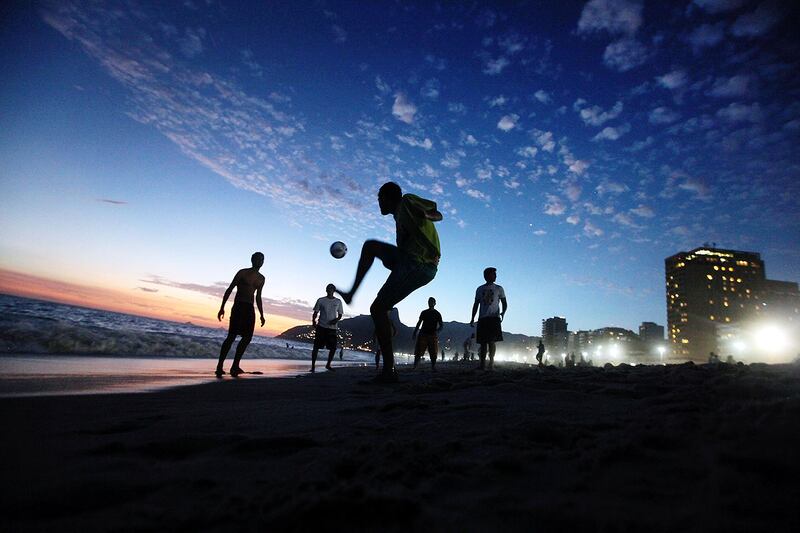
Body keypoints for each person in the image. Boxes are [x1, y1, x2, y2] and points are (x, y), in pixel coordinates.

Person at [337, 182, 442, 382]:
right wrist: (389, 261)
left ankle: (388, 371)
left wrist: (427, 216)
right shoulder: (398, 218)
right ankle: (352, 293)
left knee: (377, 308)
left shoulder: (407, 202)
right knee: (371, 248)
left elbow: (437, 213)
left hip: (420, 264)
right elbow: (403, 254)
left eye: (379, 199)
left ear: (386, 197)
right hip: (412, 263)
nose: (378, 204)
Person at [215, 252, 266, 377]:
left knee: (247, 338)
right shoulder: (242, 272)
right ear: (252, 260)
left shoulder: (261, 278)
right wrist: (222, 307)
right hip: (238, 306)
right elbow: (230, 288)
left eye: (262, 260)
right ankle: (220, 366)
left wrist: (262, 314)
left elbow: (258, 297)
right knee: (231, 336)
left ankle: (235, 366)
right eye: (258, 259)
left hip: (249, 308)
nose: (260, 261)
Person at [470, 267, 508, 371]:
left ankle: (491, 364)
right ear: (486, 276)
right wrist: (472, 317)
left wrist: (503, 313)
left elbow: (504, 302)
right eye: (493, 274)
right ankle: (482, 365)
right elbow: (476, 304)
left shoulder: (499, 288)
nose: (495, 276)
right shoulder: (480, 289)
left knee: (492, 342)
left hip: (494, 318)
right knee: (483, 343)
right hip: (482, 318)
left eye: (495, 274)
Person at [311, 284, 344, 373]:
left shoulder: (338, 301)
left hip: (332, 328)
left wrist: (336, 320)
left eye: (331, 289)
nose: (330, 290)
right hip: (321, 326)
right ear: (326, 290)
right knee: (316, 347)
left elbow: (340, 315)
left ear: (334, 291)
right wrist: (313, 321)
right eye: (328, 289)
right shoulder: (321, 300)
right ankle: (313, 366)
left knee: (333, 348)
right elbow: (315, 312)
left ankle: (328, 364)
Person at [413, 297, 444, 370]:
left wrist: (437, 331)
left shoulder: (437, 313)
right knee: (418, 351)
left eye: (432, 302)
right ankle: (415, 366)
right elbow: (419, 323)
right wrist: (415, 332)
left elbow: (441, 325)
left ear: (435, 303)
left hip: (432, 335)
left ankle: (433, 367)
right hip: (423, 333)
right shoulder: (424, 312)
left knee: (433, 352)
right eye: (429, 301)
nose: (430, 303)